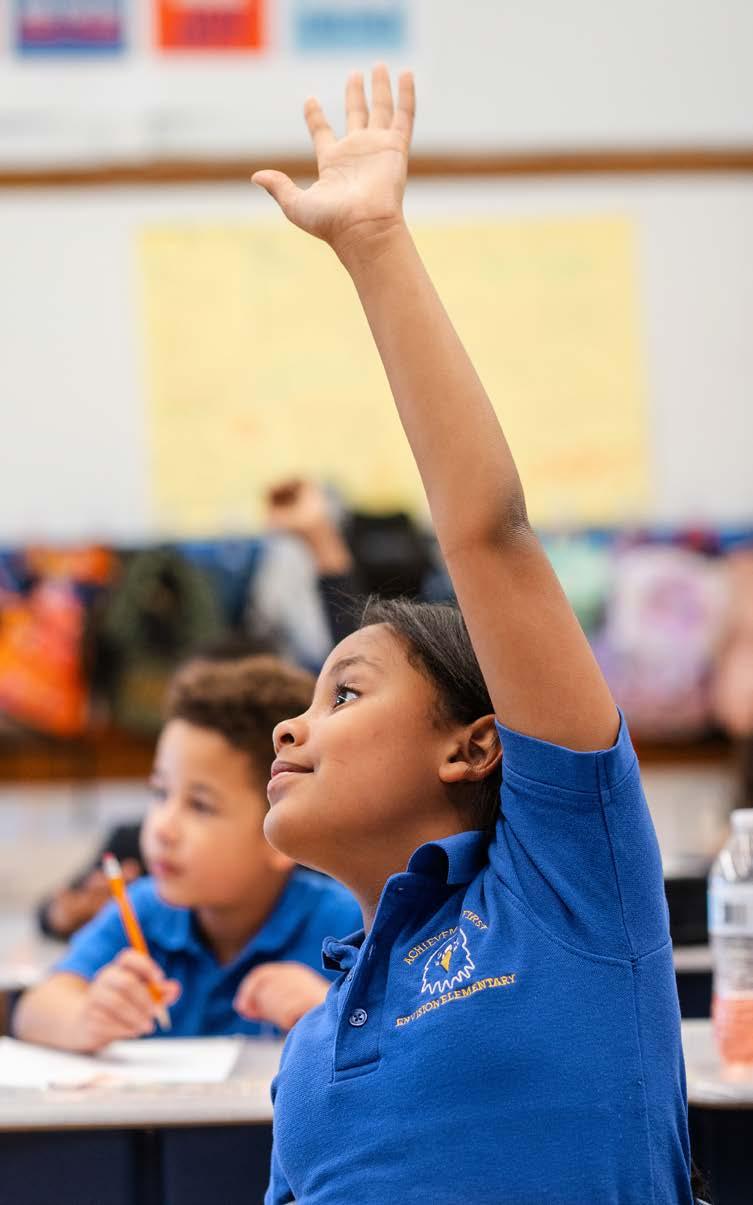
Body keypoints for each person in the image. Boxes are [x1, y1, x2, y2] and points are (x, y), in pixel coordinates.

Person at [251, 66, 694, 1204]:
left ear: (476, 744)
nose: (290, 727)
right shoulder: (309, 1045)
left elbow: (488, 537)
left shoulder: (566, 888)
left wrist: (374, 244)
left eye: (345, 693)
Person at [13, 655, 361, 1052]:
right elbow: (33, 1010)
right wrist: (85, 1017)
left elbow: (402, 1041)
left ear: (284, 832)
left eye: (200, 806)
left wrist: (325, 1012)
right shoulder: (143, 911)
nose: (163, 827)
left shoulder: (349, 925)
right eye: (161, 793)